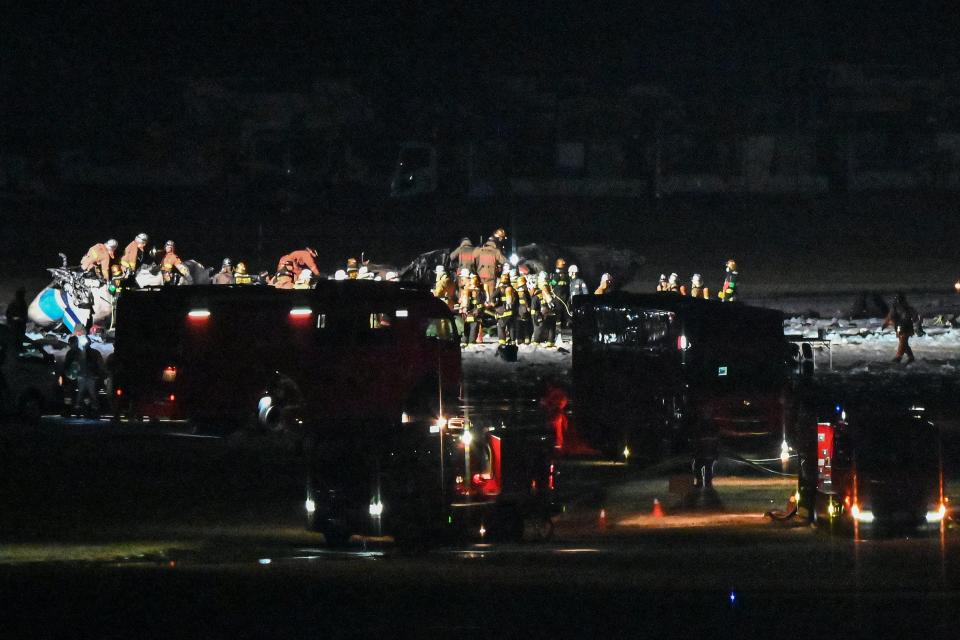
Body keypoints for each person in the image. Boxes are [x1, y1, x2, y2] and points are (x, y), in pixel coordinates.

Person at [883, 293, 921, 363]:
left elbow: (915, 316)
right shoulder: (895, 308)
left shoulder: (908, 309)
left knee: (903, 341)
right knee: (904, 342)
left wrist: (918, 325)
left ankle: (899, 356)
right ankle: (910, 357)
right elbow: (890, 316)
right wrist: (886, 324)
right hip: (899, 327)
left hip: (907, 327)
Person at [460, 274, 486, 345]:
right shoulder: (474, 290)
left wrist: (465, 308)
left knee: (470, 325)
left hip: (472, 310)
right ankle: (468, 341)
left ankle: (467, 340)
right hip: (473, 311)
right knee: (471, 326)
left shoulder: (471, 290)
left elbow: (466, 301)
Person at [492, 272, 517, 345]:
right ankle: (512, 340)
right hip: (510, 311)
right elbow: (516, 299)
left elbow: (493, 297)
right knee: (511, 326)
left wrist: (495, 304)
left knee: (501, 327)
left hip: (501, 311)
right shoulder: (512, 289)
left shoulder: (500, 289)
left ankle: (502, 341)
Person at [532, 280, 558, 347]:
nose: (545, 289)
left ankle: (550, 341)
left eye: (546, 287)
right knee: (539, 327)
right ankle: (537, 341)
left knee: (551, 328)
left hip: (550, 315)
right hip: (541, 316)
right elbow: (534, 309)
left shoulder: (553, 296)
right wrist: (535, 317)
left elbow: (556, 306)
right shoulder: (537, 297)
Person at [5, 288, 28, 353]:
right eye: (21, 294)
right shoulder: (13, 304)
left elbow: (24, 314)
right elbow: (8, 314)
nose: (23, 296)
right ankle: (15, 350)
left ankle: (19, 348)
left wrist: (23, 319)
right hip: (15, 325)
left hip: (21, 325)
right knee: (15, 338)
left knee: (20, 338)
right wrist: (14, 319)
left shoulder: (23, 303)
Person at [514, 275, 534, 344]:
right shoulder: (525, 293)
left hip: (518, 313)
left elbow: (515, 303)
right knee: (527, 326)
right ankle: (527, 338)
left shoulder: (516, 293)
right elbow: (527, 302)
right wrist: (529, 308)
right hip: (525, 312)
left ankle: (519, 339)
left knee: (519, 326)